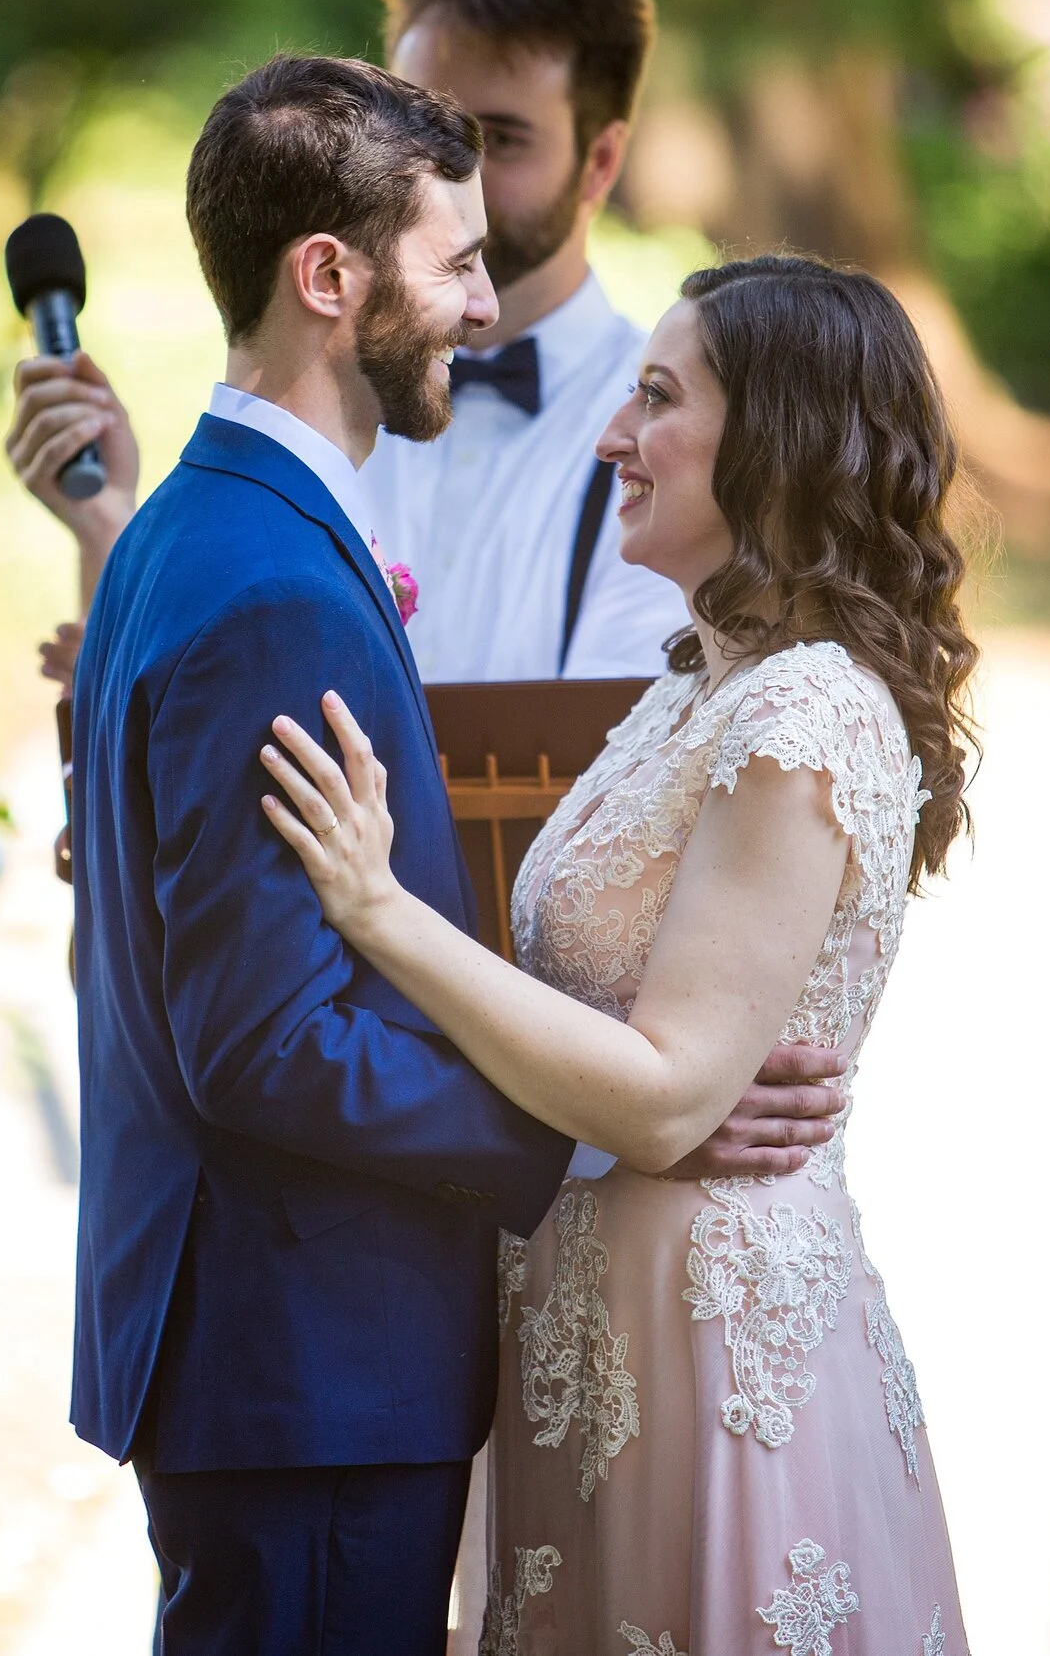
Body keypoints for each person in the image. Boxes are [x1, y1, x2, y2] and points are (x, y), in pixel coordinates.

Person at [67, 56, 828, 1656]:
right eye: (460, 260)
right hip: (308, 1373)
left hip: (264, 1359)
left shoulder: (186, 535)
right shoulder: (270, 581)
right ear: (329, 277)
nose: (486, 307)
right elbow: (269, 1043)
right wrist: (612, 1125)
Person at [255, 256, 972, 1650]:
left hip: (714, 1352)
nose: (610, 437)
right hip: (593, 1327)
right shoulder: (697, 686)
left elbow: (662, 1095)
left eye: (657, 398)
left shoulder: (807, 707)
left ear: (778, 439)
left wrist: (377, 909)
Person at [8, 0, 689, 687]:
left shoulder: (664, 438)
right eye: (424, 129)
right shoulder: (319, 382)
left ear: (600, 163)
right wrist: (108, 531)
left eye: (497, 139)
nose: (445, 176)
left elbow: (616, 767)